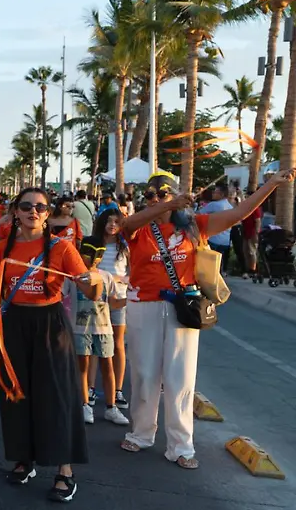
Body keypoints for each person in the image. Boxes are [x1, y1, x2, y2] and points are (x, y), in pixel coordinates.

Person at [117, 169, 295, 469]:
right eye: (150, 196)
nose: (155, 199)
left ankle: (181, 445)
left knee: (180, 378)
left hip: (182, 307)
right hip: (143, 305)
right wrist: (165, 207)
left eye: (163, 194)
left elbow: (238, 213)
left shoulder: (194, 226)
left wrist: (271, 185)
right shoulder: (140, 229)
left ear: (176, 196)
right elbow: (127, 224)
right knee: (145, 374)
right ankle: (142, 432)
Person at [0, 187, 101, 503]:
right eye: (26, 206)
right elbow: (0, 289)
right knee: (16, 393)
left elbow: (89, 289)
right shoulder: (4, 247)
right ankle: (23, 460)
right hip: (14, 323)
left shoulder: (62, 248)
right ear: (15, 211)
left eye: (40, 207)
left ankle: (64, 470)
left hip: (49, 325)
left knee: (56, 395)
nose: (33, 212)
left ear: (48, 213)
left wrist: (92, 281)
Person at [72, 241, 129, 426]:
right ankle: (84, 404)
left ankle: (111, 407)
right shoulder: (72, 276)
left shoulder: (106, 276)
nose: (94, 259)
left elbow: (112, 302)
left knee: (108, 366)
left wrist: (131, 299)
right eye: (88, 253)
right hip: (80, 328)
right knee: (83, 366)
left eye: (98, 255)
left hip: (104, 328)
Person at [90, 207, 130, 410]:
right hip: (96, 299)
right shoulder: (93, 244)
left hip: (119, 299)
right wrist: (113, 278)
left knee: (118, 344)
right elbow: (88, 269)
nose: (112, 225)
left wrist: (123, 281)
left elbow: (132, 273)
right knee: (95, 345)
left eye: (116, 221)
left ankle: (118, 390)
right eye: (109, 221)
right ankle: (90, 389)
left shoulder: (126, 246)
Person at [200, 182, 233, 274]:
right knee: (219, 265)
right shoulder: (230, 207)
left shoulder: (214, 205)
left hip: (213, 239)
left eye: (215, 192)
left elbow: (198, 214)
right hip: (225, 240)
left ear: (221, 194)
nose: (213, 194)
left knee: (209, 266)